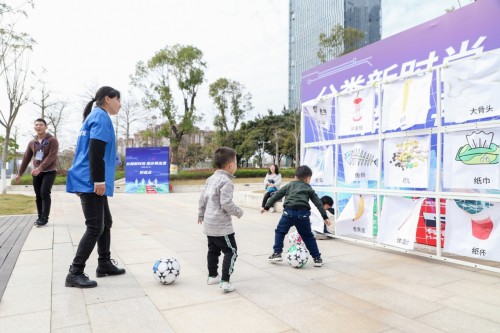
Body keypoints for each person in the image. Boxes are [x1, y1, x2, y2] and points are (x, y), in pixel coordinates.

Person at [65, 86, 126, 289]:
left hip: (89, 178)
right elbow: (95, 152)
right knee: (95, 227)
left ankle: (104, 263)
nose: (120, 104)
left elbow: (96, 150)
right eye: (118, 100)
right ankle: (75, 272)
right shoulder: (100, 117)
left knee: (105, 222)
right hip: (89, 180)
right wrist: (98, 180)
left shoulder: (95, 116)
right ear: (108, 99)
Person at [260, 165, 330, 267]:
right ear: (308, 178)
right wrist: (325, 217)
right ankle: (317, 258)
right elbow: (318, 203)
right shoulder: (308, 188)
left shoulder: (289, 185)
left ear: (296, 176)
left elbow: (276, 195)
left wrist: (266, 207)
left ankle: (277, 253)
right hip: (303, 215)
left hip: (288, 213)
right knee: (308, 237)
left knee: (280, 232)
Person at [198, 147, 244, 293]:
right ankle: (225, 281)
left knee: (213, 250)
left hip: (209, 224)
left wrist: (201, 214)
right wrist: (238, 212)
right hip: (221, 226)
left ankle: (212, 276)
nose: (236, 165)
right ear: (231, 165)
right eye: (236, 162)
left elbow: (202, 199)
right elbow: (226, 203)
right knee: (231, 251)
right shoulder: (227, 182)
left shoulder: (210, 179)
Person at [16, 118, 59, 227]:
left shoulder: (52, 140)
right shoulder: (32, 142)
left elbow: (51, 157)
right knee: (38, 195)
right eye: (36, 125)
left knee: (44, 192)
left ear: (46, 127)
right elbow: (26, 158)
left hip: (49, 171)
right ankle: (40, 216)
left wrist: (40, 168)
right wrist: (20, 173)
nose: (38, 127)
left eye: (40, 125)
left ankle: (45, 217)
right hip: (36, 173)